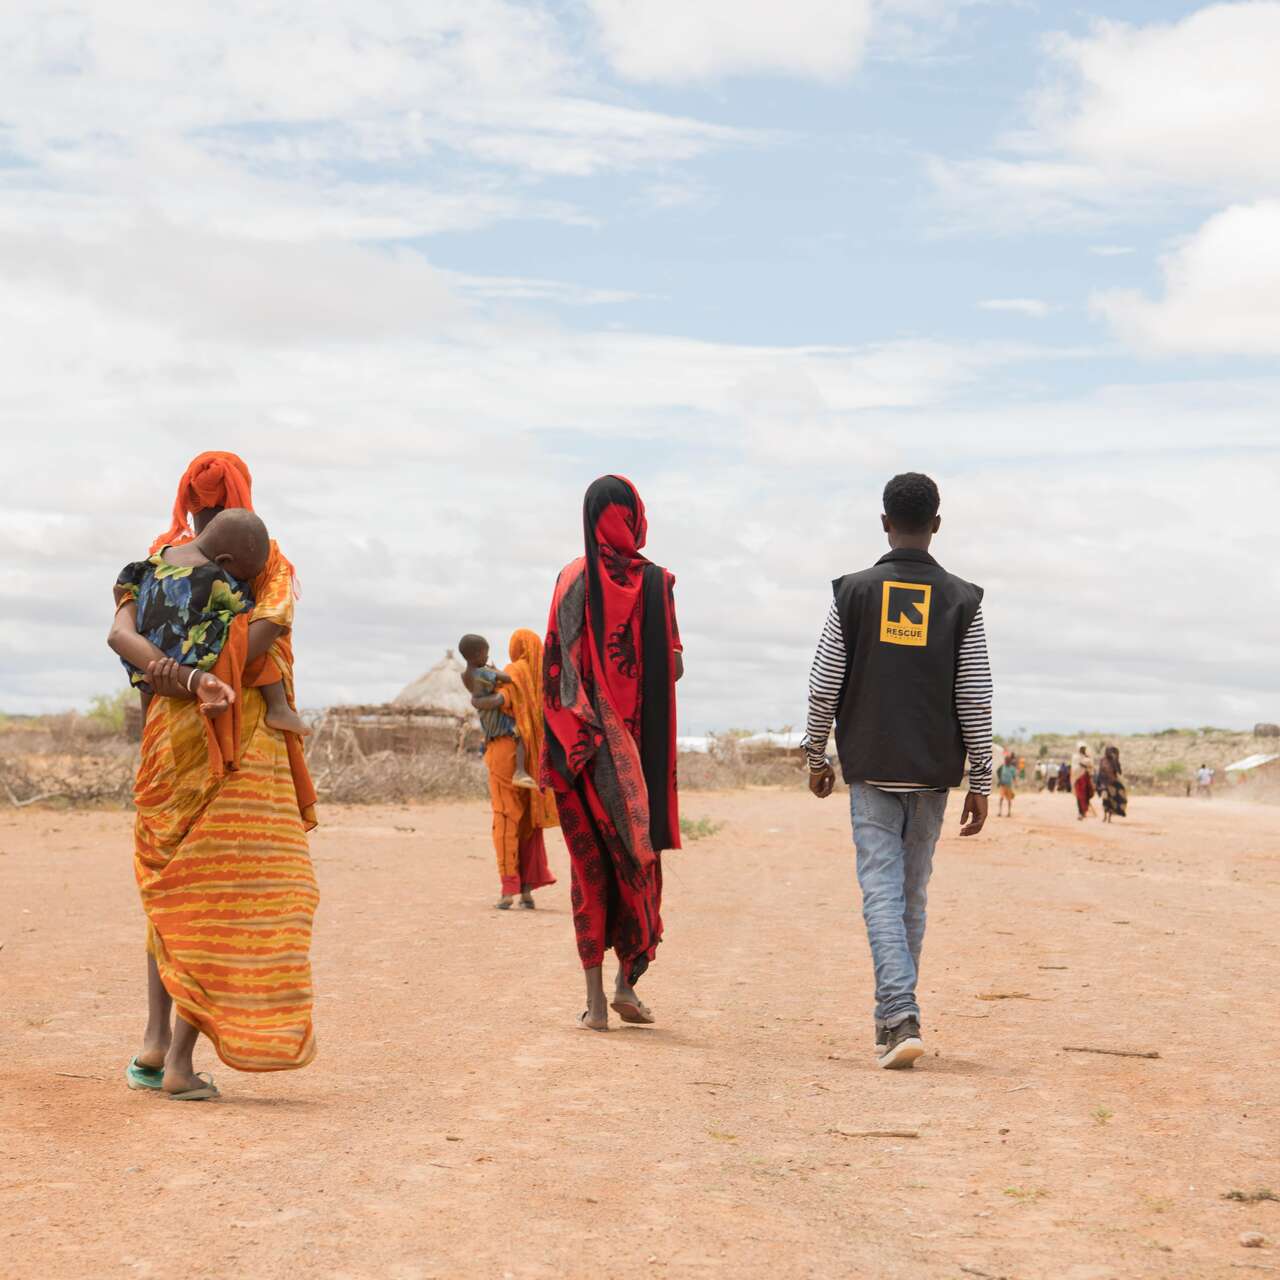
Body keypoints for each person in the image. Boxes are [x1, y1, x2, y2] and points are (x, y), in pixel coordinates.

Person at [107, 451, 318, 1100]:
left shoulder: (152, 562)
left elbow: (121, 634)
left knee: (168, 891)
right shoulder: (265, 562)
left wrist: (173, 672)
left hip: (162, 742)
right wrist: (208, 673)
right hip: (234, 742)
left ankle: (152, 1040)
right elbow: (258, 640)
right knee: (219, 894)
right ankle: (179, 1061)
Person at [803, 471, 992, 1070]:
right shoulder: (963, 599)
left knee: (881, 894)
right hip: (933, 774)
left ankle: (899, 1016)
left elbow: (824, 680)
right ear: (937, 524)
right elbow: (975, 696)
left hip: (872, 770)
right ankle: (895, 1017)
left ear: (884, 522)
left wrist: (815, 754)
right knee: (910, 897)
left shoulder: (851, 593)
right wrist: (982, 779)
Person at [543, 475, 683, 1032]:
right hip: (638, 761)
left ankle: (596, 1004)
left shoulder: (570, 578)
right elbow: (673, 666)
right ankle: (628, 982)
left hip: (581, 751)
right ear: (634, 517)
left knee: (589, 872)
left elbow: (557, 665)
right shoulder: (658, 583)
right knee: (639, 867)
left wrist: (575, 739)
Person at [112, 509, 308, 737]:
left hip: (145, 668)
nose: (240, 580)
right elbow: (256, 626)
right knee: (242, 628)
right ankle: (278, 707)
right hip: (198, 660)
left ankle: (148, 728)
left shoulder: (142, 570)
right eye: (243, 575)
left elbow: (120, 620)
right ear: (224, 560)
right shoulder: (219, 580)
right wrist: (277, 625)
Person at [469, 630, 559, 910]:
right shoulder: (544, 678)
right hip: (535, 756)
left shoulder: (514, 671)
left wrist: (481, 699)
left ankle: (508, 888)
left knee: (506, 816)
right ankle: (527, 890)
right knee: (528, 819)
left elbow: (501, 701)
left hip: (505, 752)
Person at [458, 634, 537, 792]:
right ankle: (520, 771)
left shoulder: (465, 676)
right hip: (495, 714)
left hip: (485, 716)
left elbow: (477, 696)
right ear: (477, 655)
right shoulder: (484, 673)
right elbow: (508, 678)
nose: (487, 657)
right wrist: (495, 670)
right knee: (519, 734)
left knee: (492, 732)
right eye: (485, 654)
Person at [1099, 745, 1127, 821]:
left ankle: (1109, 817)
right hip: (1104, 783)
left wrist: (1116, 761)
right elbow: (1100, 772)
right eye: (1108, 751)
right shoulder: (1102, 760)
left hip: (1113, 783)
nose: (1109, 752)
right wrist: (1099, 784)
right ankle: (1105, 816)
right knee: (1105, 800)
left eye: (1111, 751)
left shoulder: (1114, 761)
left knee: (1113, 800)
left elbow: (1119, 772)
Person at [1071, 742, 1095, 820]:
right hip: (1078, 779)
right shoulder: (1075, 757)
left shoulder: (1087, 757)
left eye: (1084, 749)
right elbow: (1074, 768)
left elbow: (1091, 766)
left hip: (1086, 779)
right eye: (1081, 749)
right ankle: (1080, 812)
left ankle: (1084, 811)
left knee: (1086, 795)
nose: (1082, 750)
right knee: (1079, 796)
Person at [997, 752, 1017, 817]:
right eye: (1005, 760)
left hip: (1009, 786)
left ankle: (1009, 812)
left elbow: (1014, 777)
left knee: (1009, 799)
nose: (1006, 762)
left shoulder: (1012, 768)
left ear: (1009, 761)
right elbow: (998, 771)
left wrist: (1015, 783)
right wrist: (999, 780)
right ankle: (1000, 812)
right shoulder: (1002, 766)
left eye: (1007, 761)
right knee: (1001, 798)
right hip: (1002, 785)